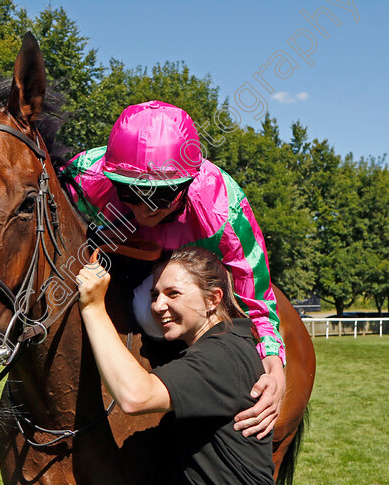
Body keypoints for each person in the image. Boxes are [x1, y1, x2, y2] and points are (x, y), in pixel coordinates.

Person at [64, 100, 285, 437]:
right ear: (109, 177)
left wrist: (274, 359)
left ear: (188, 183)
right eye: (128, 193)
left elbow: (255, 295)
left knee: (152, 311)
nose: (144, 210)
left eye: (161, 196)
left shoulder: (222, 207)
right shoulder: (81, 178)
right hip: (113, 259)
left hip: (185, 276)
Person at [77, 247, 275, 484]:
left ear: (213, 299)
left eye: (173, 293)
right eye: (154, 295)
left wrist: (93, 307)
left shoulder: (222, 355)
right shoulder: (228, 342)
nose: (158, 306)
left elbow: (136, 396)